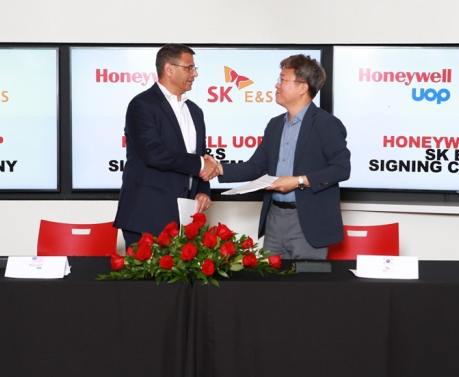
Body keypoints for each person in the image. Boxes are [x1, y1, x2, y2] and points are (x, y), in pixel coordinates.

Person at [203, 54, 350, 259]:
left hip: (308, 221)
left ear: (302, 87)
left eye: (282, 79)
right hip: (274, 218)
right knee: (271, 288)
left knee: (307, 288)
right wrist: (219, 168)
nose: (276, 85)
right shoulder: (275, 124)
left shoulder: (326, 124)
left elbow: (342, 169)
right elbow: (256, 166)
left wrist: (298, 182)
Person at [114, 44, 219, 248]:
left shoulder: (195, 111)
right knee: (145, 280)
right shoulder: (142, 105)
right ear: (169, 69)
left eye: (195, 68)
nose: (195, 74)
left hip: (185, 220)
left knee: (183, 281)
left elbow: (200, 157)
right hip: (147, 217)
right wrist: (200, 164)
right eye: (189, 68)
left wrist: (203, 190)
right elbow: (153, 153)